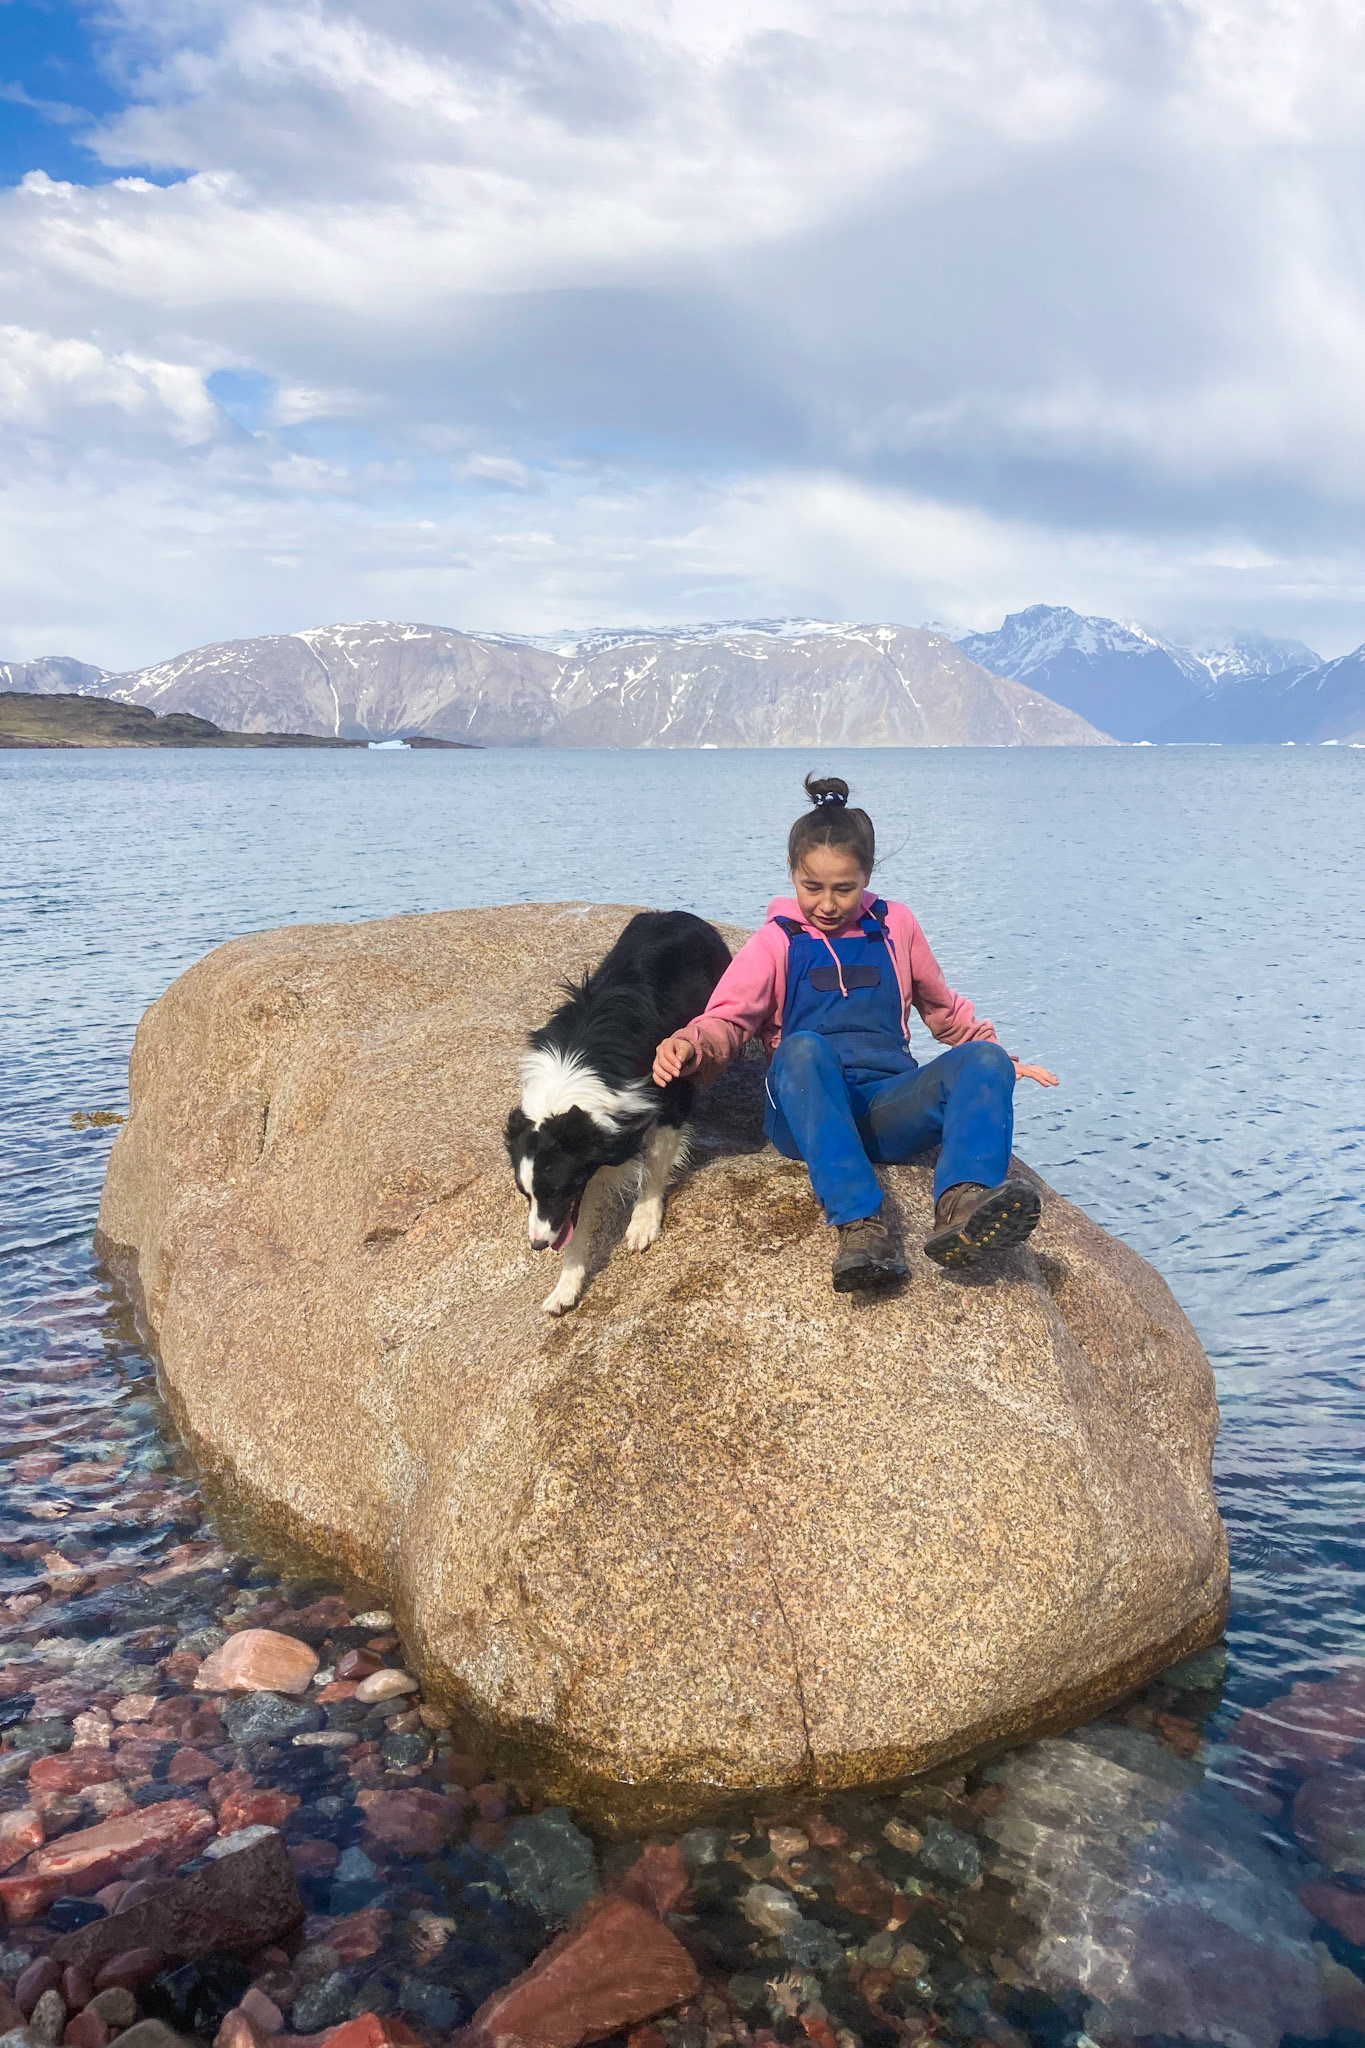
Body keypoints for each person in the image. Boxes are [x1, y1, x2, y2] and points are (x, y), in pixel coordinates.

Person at [652, 774, 1058, 1292]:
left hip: (885, 1106)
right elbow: (728, 1019)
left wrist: (998, 1062)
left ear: (867, 874)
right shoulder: (777, 941)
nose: (826, 903)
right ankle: (862, 1228)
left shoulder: (897, 926)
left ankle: (962, 1205)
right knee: (802, 1050)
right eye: (811, 887)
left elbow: (942, 1008)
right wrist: (691, 1043)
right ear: (792, 874)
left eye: (843, 888)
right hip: (807, 1112)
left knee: (985, 1060)